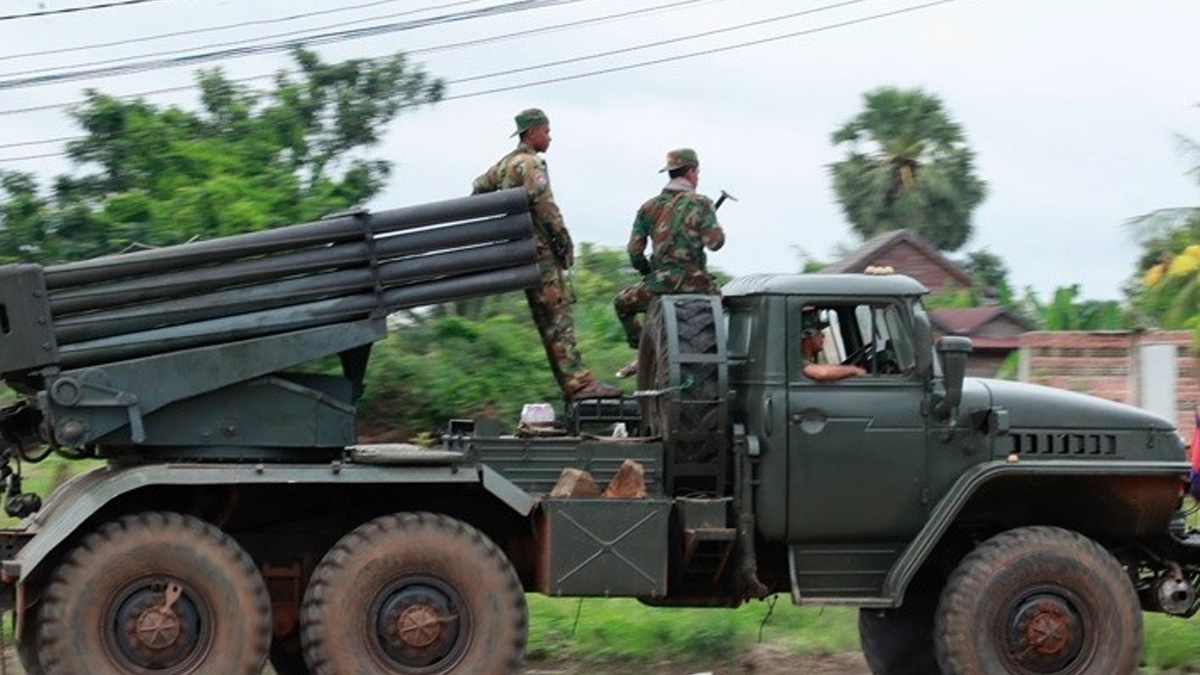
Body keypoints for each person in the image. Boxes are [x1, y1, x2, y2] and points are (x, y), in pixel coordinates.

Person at [472, 107, 619, 401]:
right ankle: (579, 384)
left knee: (545, 321)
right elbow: (546, 207)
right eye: (547, 131)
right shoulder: (531, 164)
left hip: (519, 254)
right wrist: (564, 242)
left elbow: (478, 189)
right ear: (533, 132)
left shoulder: (505, 165)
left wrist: (504, 222)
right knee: (559, 318)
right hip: (540, 254)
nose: (550, 137)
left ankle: (571, 385)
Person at [613, 148, 725, 378]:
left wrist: (649, 273)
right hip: (698, 284)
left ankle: (644, 349)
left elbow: (634, 252)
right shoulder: (702, 203)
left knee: (622, 304)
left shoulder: (648, 207)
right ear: (692, 172)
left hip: (658, 285)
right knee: (725, 306)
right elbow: (715, 243)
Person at [799, 310, 866, 381]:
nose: (823, 335)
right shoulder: (795, 360)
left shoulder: (805, 360)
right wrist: (854, 370)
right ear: (807, 337)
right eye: (818, 332)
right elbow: (822, 373)